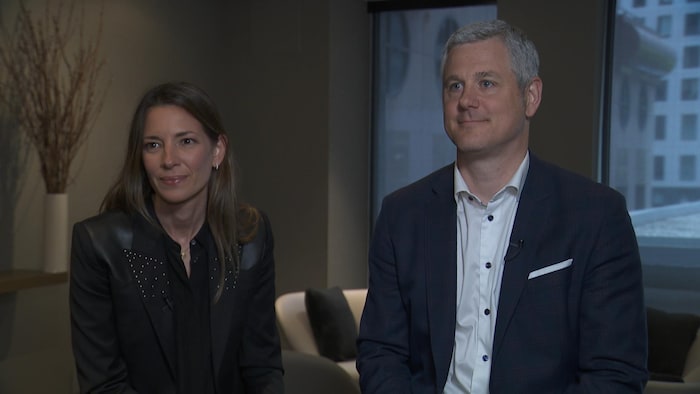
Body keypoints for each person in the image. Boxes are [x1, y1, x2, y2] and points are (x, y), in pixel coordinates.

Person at [357, 19, 648, 393]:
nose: (467, 101)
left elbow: (615, 374)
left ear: (531, 96)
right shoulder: (402, 215)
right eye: (455, 85)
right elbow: (381, 353)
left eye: (487, 83)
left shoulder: (596, 216)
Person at [70, 81, 283, 393]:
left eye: (186, 141)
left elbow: (262, 367)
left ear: (217, 150)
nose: (169, 159)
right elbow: (105, 384)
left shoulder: (250, 236)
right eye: (153, 145)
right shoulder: (99, 245)